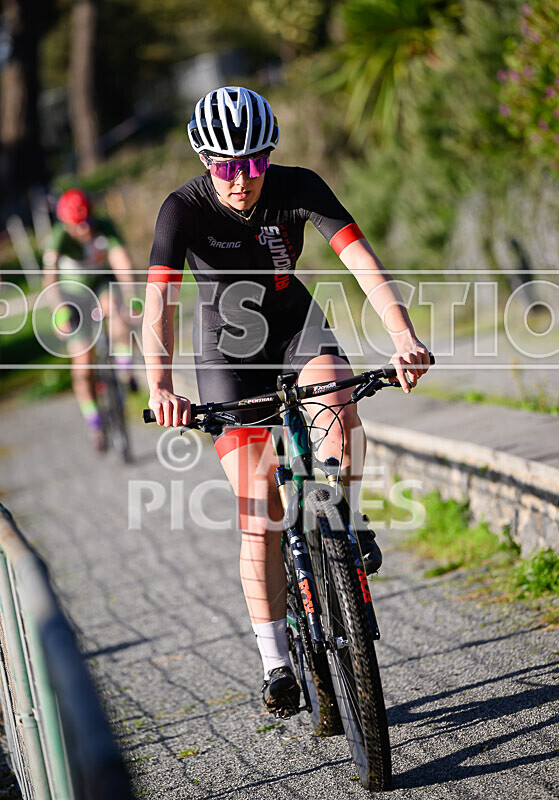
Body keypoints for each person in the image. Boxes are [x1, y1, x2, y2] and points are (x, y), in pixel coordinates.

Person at [143, 86, 431, 716]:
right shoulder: (181, 208)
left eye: (251, 163)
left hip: (296, 328)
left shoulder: (298, 186)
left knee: (342, 406)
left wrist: (403, 335)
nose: (239, 179)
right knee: (260, 514)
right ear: (204, 161)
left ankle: (343, 518)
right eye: (223, 165)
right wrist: (160, 384)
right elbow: (159, 305)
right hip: (225, 354)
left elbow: (360, 259)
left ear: (268, 157)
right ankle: (276, 659)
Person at [42, 188, 137, 450]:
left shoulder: (105, 226)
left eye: (87, 222)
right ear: (66, 223)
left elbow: (123, 263)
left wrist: (132, 297)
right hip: (74, 295)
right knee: (82, 367)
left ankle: (124, 366)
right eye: (77, 225)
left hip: (102, 285)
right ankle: (94, 421)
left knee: (115, 307)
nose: (84, 229)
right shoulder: (59, 236)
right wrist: (59, 310)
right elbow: (49, 277)